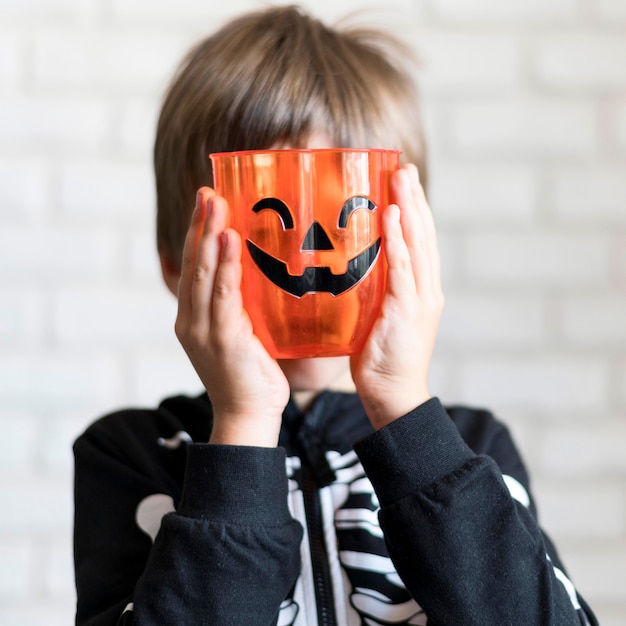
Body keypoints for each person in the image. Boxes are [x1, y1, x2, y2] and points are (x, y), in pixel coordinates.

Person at [73, 5, 598, 625]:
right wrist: (243, 423)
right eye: (265, 220)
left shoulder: (469, 448)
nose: (312, 250)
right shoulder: (132, 452)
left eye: (348, 214)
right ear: (175, 256)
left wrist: (407, 417)